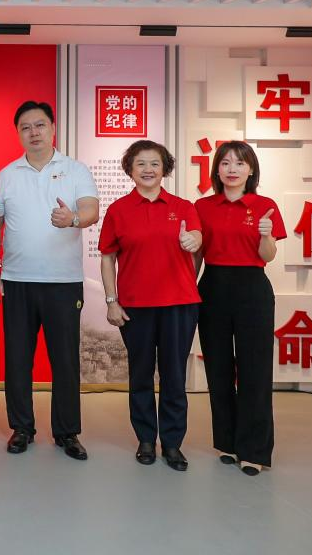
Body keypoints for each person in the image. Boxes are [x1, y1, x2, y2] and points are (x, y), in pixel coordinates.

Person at [0, 101, 98, 460]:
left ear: (53, 127)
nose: (33, 132)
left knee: (64, 360)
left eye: (39, 125)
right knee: (18, 359)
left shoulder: (75, 169)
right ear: (18, 133)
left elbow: (91, 210)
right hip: (17, 280)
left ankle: (67, 432)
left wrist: (73, 219)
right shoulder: (7, 174)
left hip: (63, 282)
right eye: (25, 127)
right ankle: (22, 428)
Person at [99, 140, 202, 471]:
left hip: (178, 305)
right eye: (140, 163)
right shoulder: (118, 210)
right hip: (135, 307)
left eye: (155, 163)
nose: (148, 169)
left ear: (165, 169)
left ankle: (172, 443)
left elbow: (197, 240)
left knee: (174, 375)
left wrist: (193, 240)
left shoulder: (184, 207)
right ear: (130, 169)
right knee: (140, 374)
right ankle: (145, 439)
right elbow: (107, 258)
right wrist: (111, 301)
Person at [194, 141, 285, 476]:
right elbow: (197, 254)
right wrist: (188, 289)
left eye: (239, 163)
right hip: (213, 287)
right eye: (225, 163)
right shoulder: (202, 206)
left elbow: (268, 255)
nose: (232, 169)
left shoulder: (265, 205)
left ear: (251, 170)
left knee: (254, 370)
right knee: (218, 369)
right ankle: (228, 443)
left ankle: (254, 450)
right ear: (216, 170)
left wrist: (266, 235)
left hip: (252, 289)